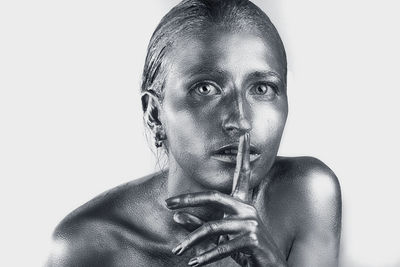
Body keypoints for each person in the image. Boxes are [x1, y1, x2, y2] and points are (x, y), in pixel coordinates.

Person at [46, 0, 342, 266]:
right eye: (206, 89)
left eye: (262, 88)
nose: (240, 120)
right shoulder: (90, 246)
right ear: (154, 113)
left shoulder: (305, 194)